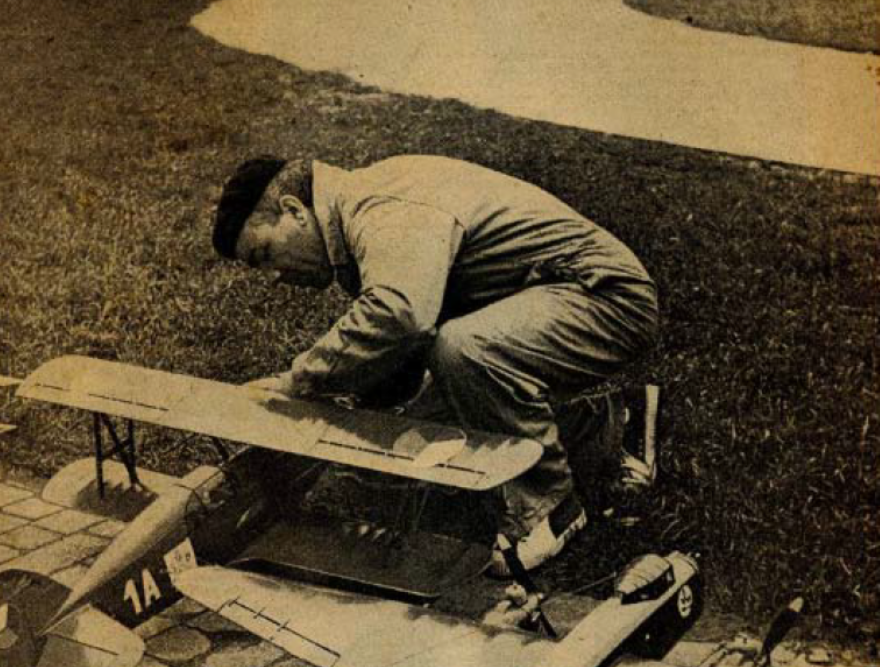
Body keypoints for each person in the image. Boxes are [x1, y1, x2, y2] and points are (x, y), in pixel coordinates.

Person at [212, 153, 658, 573]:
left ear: (294, 210)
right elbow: (399, 350)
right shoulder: (358, 208)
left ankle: (550, 507)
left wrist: (298, 381)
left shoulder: (378, 208)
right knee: (426, 432)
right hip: (538, 295)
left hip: (604, 295)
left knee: (464, 351)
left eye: (264, 254)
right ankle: (606, 419)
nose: (274, 276)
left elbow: (401, 316)